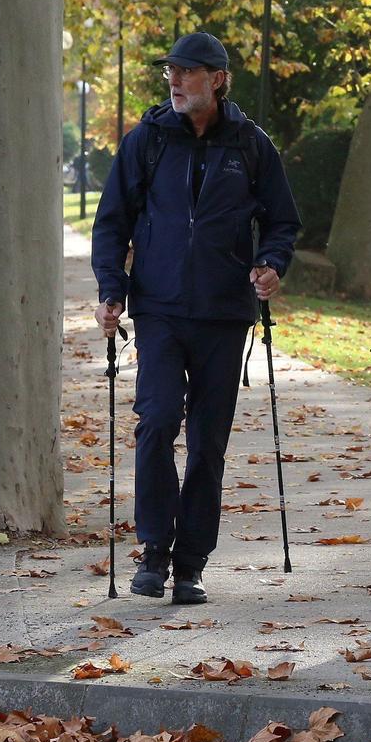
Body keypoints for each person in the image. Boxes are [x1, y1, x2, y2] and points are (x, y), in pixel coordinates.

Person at [90, 32, 301, 605]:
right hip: (158, 310)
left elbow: (283, 221)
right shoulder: (147, 142)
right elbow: (112, 222)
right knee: (157, 421)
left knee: (209, 442)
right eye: (171, 74)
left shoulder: (251, 145)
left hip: (224, 315)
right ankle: (154, 552)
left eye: (188, 73)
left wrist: (270, 263)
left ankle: (192, 564)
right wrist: (113, 288)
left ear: (218, 79)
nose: (177, 82)